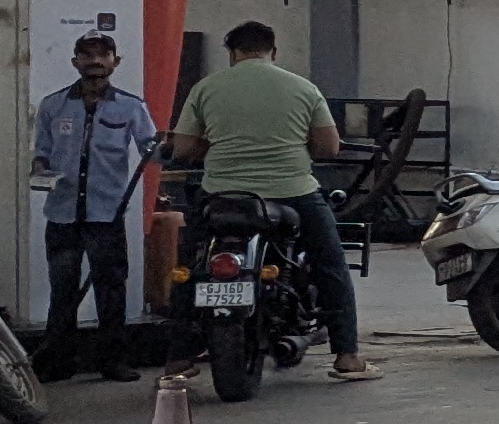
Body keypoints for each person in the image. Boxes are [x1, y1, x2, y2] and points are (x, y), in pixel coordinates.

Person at [159, 19, 374, 381]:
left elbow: (182, 149)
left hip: (223, 197)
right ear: (273, 51)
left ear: (232, 53)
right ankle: (347, 356)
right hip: (293, 194)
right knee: (331, 263)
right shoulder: (302, 88)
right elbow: (329, 147)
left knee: (191, 267)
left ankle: (178, 359)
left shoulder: (206, 88)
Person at [29, 29, 156, 380]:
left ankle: (112, 361)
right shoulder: (53, 105)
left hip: (106, 215)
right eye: (88, 55)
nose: (95, 61)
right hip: (62, 214)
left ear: (115, 61)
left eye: (103, 54)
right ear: (76, 61)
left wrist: (171, 148)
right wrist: (39, 167)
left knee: (111, 290)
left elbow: (152, 148)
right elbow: (42, 150)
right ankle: (58, 362)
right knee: (63, 289)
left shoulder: (131, 106)